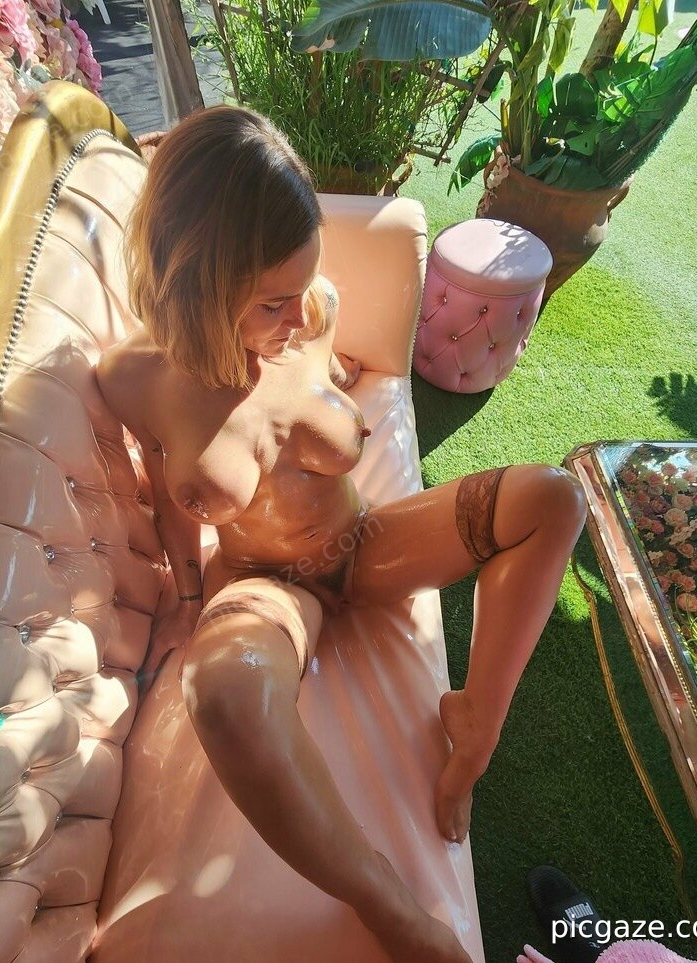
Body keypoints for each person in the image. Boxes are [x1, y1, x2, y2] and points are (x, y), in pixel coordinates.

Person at [95, 105, 588, 963]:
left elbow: (314, 365)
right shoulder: (136, 380)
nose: (300, 315)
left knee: (555, 499)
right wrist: (184, 595)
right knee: (224, 695)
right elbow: (169, 497)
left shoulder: (309, 315)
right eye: (271, 302)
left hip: (364, 544)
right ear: (199, 286)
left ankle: (474, 726)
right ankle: (388, 906)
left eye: (305, 285)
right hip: (268, 588)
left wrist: (332, 376)